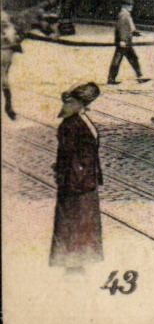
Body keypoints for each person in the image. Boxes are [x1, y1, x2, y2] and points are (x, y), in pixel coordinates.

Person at [51, 82, 104, 270]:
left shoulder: (81, 119)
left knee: (84, 223)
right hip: (76, 183)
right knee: (74, 221)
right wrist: (76, 178)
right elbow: (66, 154)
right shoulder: (71, 124)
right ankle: (72, 264)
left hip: (84, 181)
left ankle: (80, 261)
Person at [106, 0, 148, 85]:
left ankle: (139, 76)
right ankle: (139, 76)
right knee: (121, 60)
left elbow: (128, 27)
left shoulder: (125, 14)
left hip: (125, 41)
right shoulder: (124, 15)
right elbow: (122, 28)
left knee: (129, 59)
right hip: (124, 42)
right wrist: (122, 40)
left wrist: (135, 33)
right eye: (130, 5)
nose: (131, 7)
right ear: (125, 5)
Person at [1, 9, 20, 120]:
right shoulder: (8, 25)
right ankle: (8, 106)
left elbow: (13, 38)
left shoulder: (8, 27)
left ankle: (8, 106)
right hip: (5, 54)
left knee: (4, 78)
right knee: (4, 80)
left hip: (6, 55)